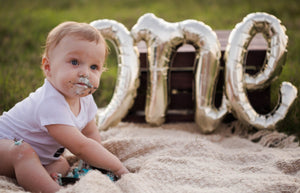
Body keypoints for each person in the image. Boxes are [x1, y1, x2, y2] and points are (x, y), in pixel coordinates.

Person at [0, 21, 129, 193]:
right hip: (6, 147)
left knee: (61, 163)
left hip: (38, 157)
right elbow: (81, 147)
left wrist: (97, 163)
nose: (85, 73)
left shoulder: (85, 99)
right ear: (48, 67)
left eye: (94, 67)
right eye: (75, 62)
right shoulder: (50, 102)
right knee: (22, 151)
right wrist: (118, 168)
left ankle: (36, 177)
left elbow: (90, 135)